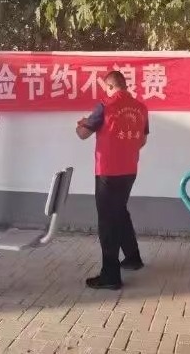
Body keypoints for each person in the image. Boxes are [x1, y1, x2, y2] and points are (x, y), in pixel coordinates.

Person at [75, 70, 149, 290]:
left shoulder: (104, 106)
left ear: (109, 86)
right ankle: (133, 257)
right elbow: (142, 140)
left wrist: (82, 123)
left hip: (108, 171)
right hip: (129, 170)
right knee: (120, 212)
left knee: (108, 222)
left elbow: (82, 134)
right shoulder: (141, 108)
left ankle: (110, 276)